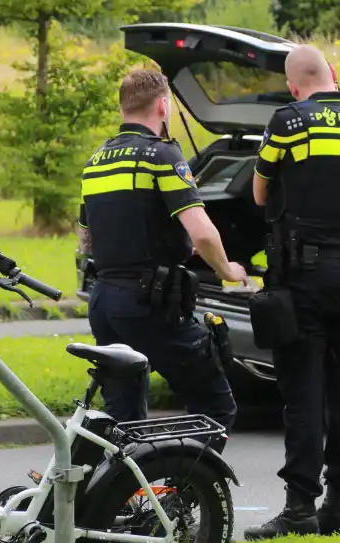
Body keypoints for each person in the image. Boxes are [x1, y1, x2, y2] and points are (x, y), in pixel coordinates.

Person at [242, 45, 340, 540]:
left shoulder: (289, 122)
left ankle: (300, 507)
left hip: (304, 278)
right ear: (334, 74)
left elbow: (260, 194)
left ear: (293, 86)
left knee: (304, 394)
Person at [76, 68, 249, 453]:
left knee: (123, 422)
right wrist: (227, 270)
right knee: (215, 404)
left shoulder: (96, 162)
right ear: (163, 106)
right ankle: (180, 495)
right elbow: (201, 232)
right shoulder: (162, 154)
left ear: (123, 108)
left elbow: (86, 239)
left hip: (103, 302)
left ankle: (126, 503)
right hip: (148, 302)